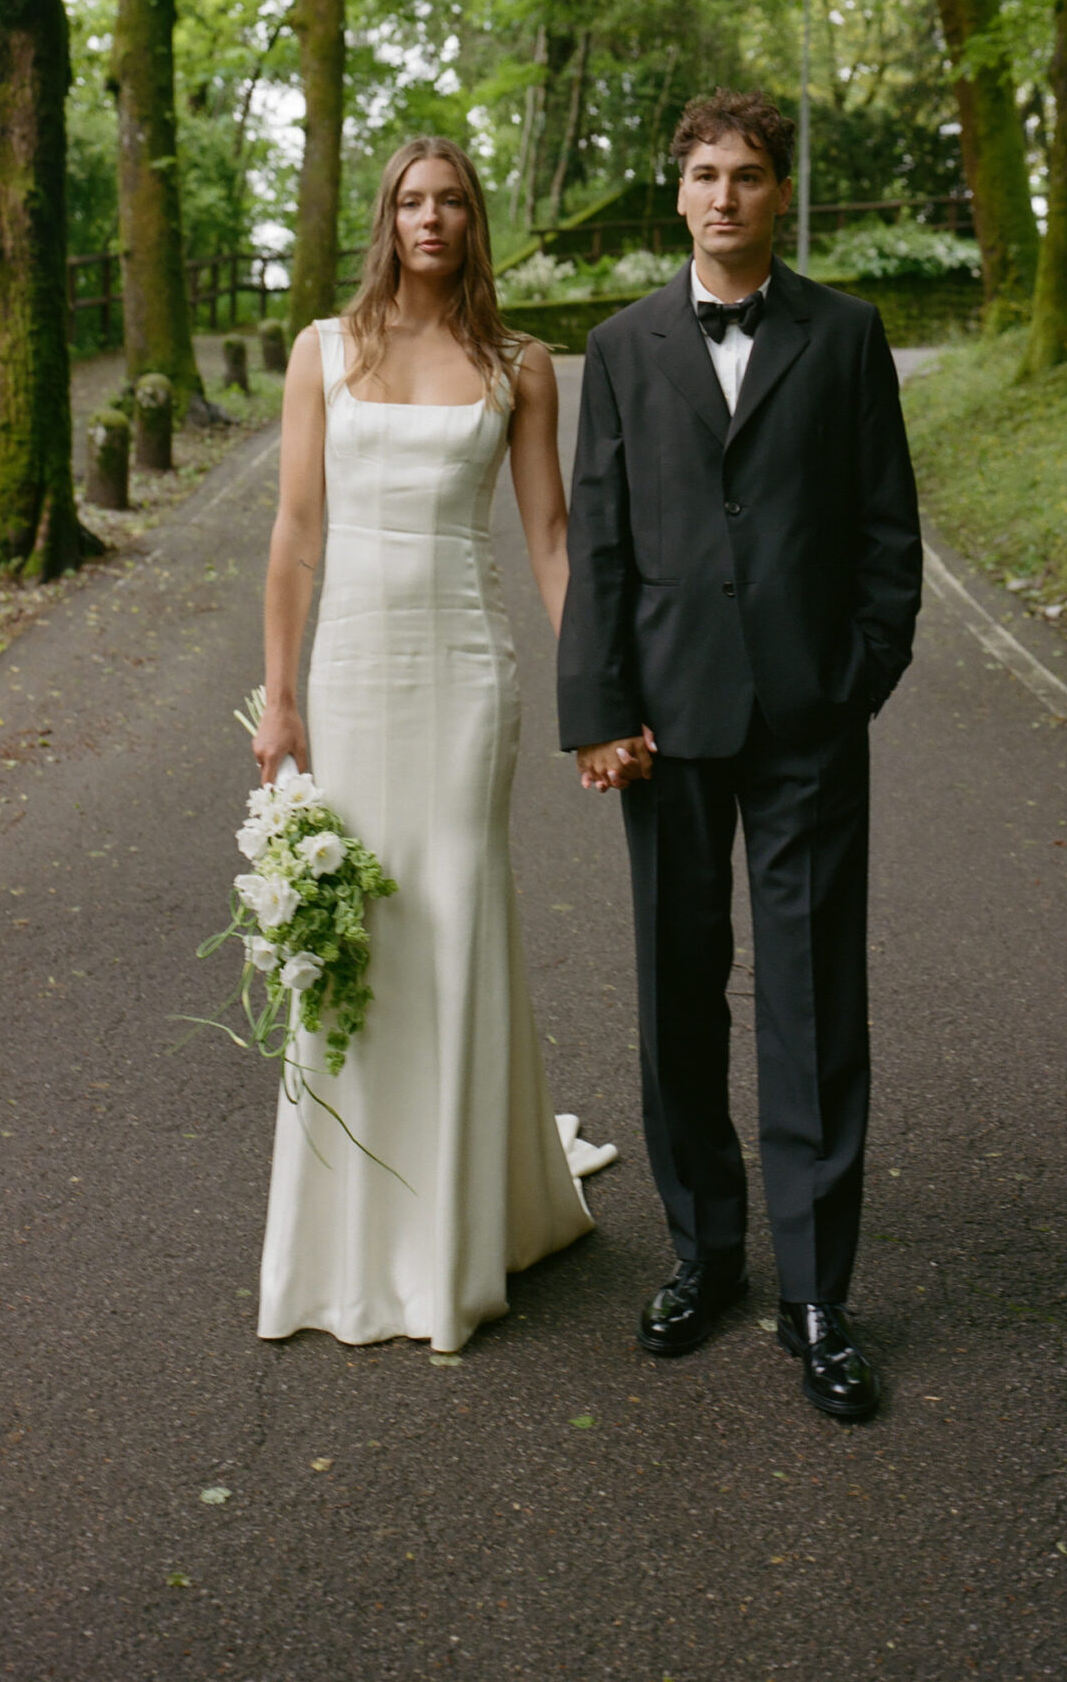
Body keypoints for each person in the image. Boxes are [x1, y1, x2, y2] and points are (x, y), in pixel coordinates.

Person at [556, 89, 921, 1422]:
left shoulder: (847, 335)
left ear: (780, 193)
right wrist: (596, 709)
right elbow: (599, 540)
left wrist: (852, 681)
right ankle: (704, 1253)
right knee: (677, 990)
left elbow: (886, 530)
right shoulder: (619, 347)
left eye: (748, 174)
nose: (724, 195)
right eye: (704, 173)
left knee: (813, 1000)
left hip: (806, 721)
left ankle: (816, 1295)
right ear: (678, 192)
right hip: (663, 724)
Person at [249, 136, 613, 1353]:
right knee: (361, 926)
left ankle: (456, 1228)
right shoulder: (322, 350)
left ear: (473, 221)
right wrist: (280, 697)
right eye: (411, 200)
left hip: (463, 674)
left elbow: (548, 539)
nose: (431, 217)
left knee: (452, 908)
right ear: (386, 218)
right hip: (352, 671)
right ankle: (350, 1228)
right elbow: (296, 531)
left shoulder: (520, 364)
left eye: (452, 200)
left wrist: (595, 691)